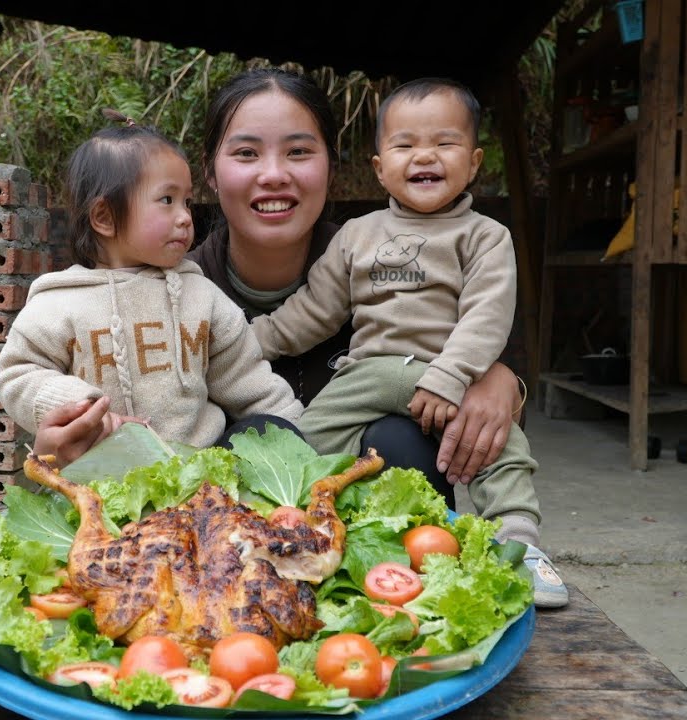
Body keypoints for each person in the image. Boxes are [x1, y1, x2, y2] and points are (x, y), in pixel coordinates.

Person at [210, 72, 564, 608]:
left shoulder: (486, 237)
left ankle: (521, 543)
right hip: (367, 374)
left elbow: (487, 316)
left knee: (497, 440)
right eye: (405, 145)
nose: (425, 156)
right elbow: (312, 311)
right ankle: (280, 541)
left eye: (445, 143)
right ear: (379, 168)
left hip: (438, 375)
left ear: (474, 162)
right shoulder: (358, 237)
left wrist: (474, 377)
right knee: (300, 445)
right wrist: (243, 343)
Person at [0, 111, 303, 459]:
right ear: (104, 217)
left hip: (203, 475)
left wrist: (300, 439)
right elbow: (17, 373)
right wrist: (80, 406)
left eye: (187, 201)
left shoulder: (202, 297)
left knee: (263, 432)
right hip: (103, 475)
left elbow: (248, 380)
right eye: (167, 200)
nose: (185, 217)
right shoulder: (59, 304)